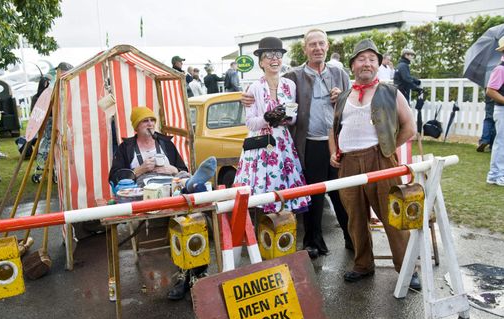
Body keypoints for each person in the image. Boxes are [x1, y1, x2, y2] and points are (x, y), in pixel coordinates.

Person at [242, 29, 353, 259]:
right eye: (312, 44)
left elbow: (351, 98)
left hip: (337, 142)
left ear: (327, 46)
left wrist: (341, 95)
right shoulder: (294, 76)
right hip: (307, 143)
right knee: (312, 195)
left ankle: (352, 238)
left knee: (343, 194)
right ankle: (307, 242)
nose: (317, 48)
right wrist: (253, 104)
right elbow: (255, 114)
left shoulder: (338, 73)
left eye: (321, 43)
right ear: (305, 49)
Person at [329, 39, 420, 289]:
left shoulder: (390, 92)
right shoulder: (344, 96)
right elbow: (333, 129)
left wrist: (387, 148)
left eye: (372, 59)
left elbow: (409, 127)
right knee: (355, 219)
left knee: (392, 217)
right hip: (348, 163)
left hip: (381, 161)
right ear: (352, 65)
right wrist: (333, 152)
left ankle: (407, 267)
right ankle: (363, 264)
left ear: (379, 65)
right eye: (361, 59)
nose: (366, 63)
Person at [109, 106, 216, 300]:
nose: (150, 124)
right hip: (145, 193)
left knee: (188, 201)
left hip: (172, 188)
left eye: (152, 120)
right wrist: (140, 170)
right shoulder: (126, 148)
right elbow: (116, 178)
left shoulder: (165, 143)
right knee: (185, 217)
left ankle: (194, 185)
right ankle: (187, 277)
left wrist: (172, 169)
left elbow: (181, 167)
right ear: (136, 126)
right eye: (145, 121)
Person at [233, 37, 309, 214]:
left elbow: (294, 116)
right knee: (261, 194)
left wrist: (288, 118)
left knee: (284, 192)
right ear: (261, 62)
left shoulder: (290, 85)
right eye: (268, 55)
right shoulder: (254, 88)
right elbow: (251, 123)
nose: (274, 59)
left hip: (283, 143)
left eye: (278, 54)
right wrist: (267, 118)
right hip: (261, 145)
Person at [485, 36, 504, 186]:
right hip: (502, 110)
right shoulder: (500, 69)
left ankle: (497, 174)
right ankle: (496, 175)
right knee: (501, 143)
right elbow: (490, 91)